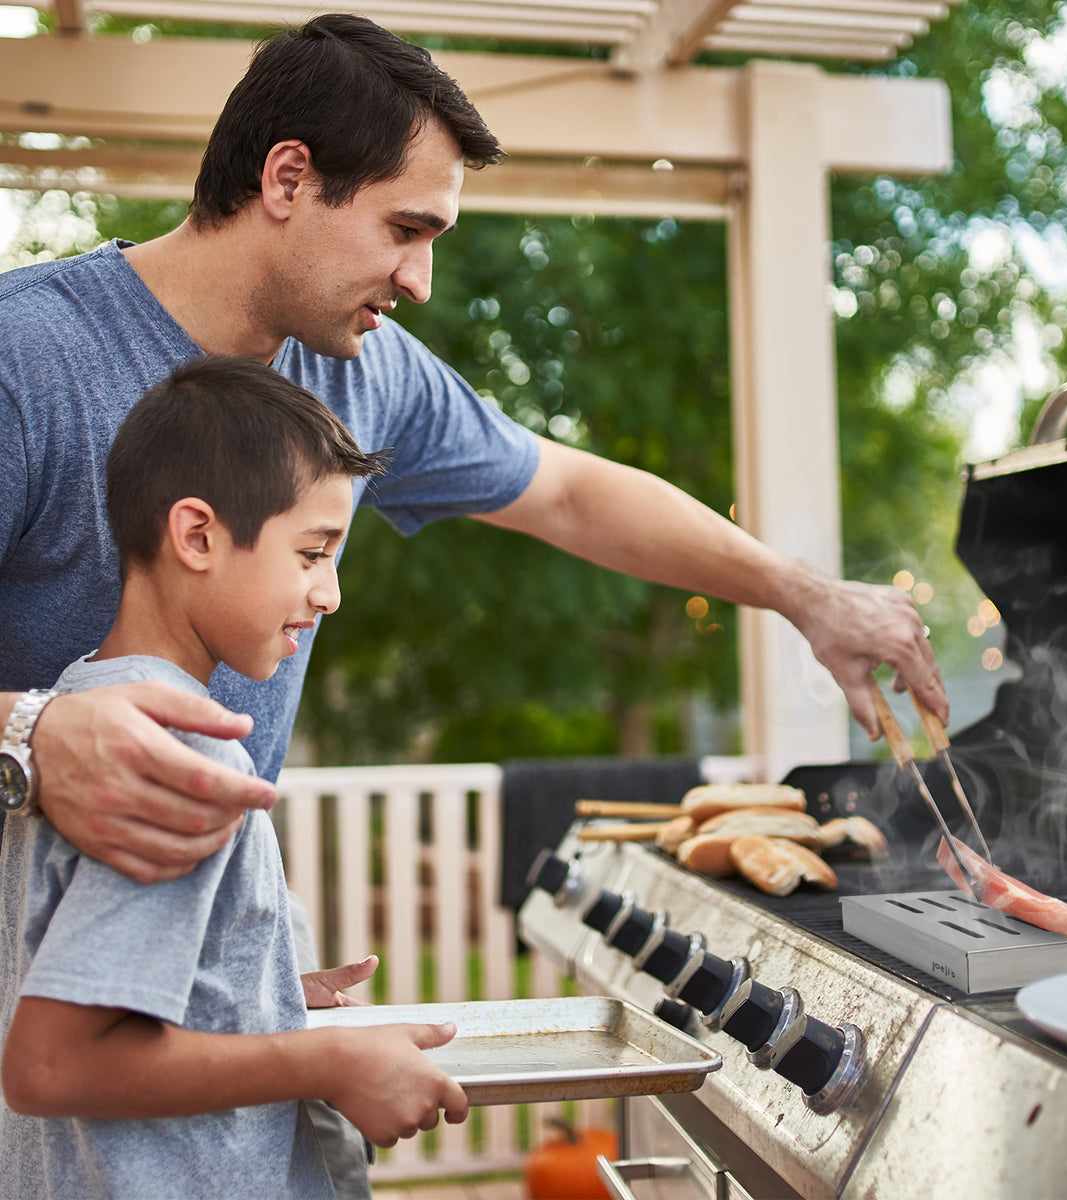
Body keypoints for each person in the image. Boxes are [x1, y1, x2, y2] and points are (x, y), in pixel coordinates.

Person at [0, 12, 946, 887]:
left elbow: (569, 495)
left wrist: (805, 596)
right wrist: (31, 736)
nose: (419, 281)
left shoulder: (365, 372)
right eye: (403, 229)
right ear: (288, 180)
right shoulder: (25, 356)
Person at [0, 356, 470, 1199]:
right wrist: (326, 1059)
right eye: (313, 553)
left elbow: (88, 984)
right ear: (197, 537)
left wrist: (257, 995)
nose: (329, 594)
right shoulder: (179, 755)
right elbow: (54, 1064)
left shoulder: (76, 717)